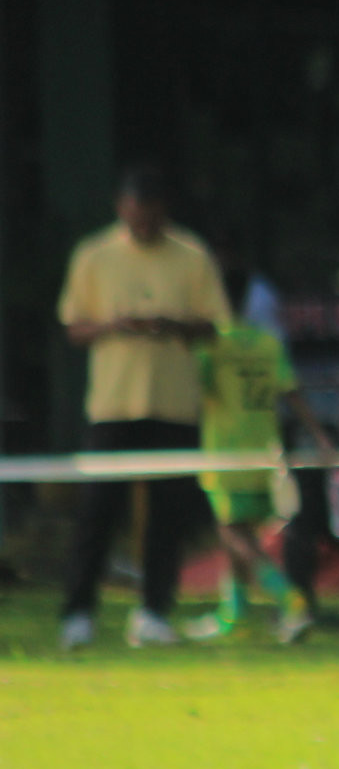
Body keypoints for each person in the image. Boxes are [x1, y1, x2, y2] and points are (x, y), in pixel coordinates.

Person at [55, 165, 232, 649]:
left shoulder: (192, 255)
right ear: (121, 209)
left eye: (152, 218)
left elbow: (215, 327)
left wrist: (171, 326)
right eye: (136, 218)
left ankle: (154, 612)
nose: (144, 228)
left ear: (165, 211)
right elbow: (74, 327)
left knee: (167, 516)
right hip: (113, 404)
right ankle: (78, 615)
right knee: (97, 512)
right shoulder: (94, 254)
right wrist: (116, 326)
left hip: (173, 404)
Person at [186, 262, 305, 642]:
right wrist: (318, 434)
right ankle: (231, 613)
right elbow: (291, 391)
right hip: (263, 451)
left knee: (234, 534)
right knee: (238, 533)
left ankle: (292, 600)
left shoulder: (213, 344)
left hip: (225, 452)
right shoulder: (268, 342)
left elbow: (195, 392)